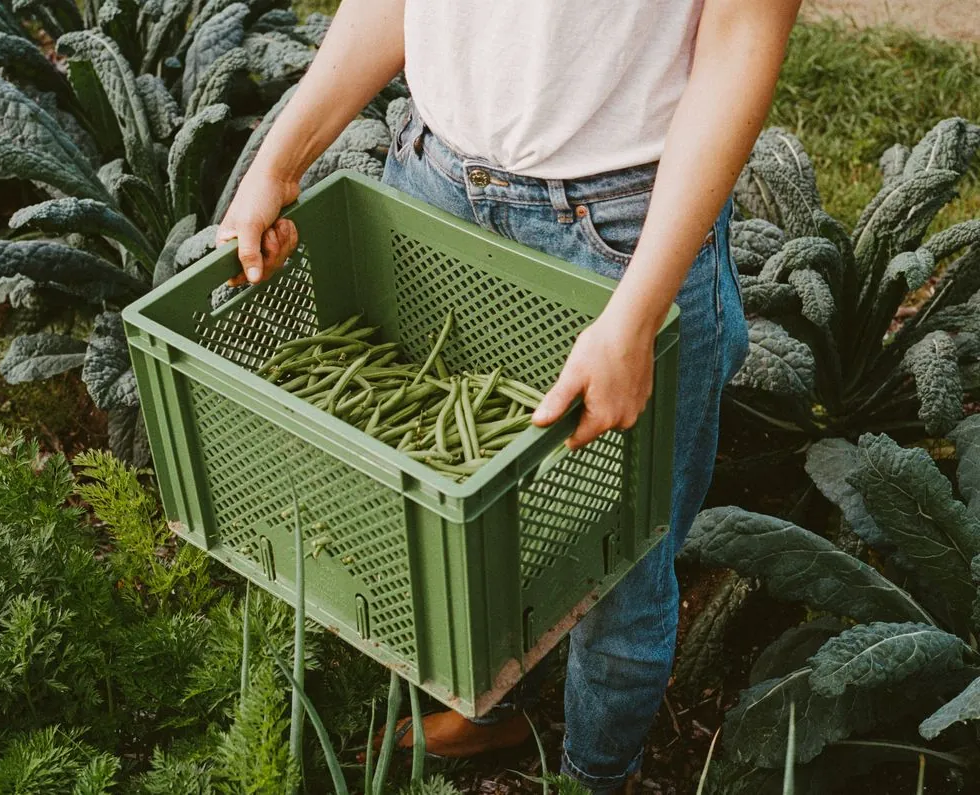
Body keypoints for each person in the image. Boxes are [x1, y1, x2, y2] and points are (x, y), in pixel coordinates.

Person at [217, 1, 803, 791]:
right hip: (435, 176)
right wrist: (279, 162)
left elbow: (742, 38)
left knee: (623, 565)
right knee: (459, 504)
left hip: (623, 224)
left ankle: (593, 777)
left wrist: (635, 314)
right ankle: (489, 710)